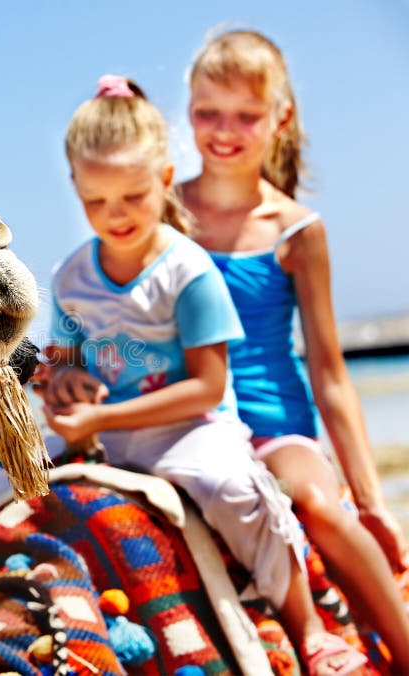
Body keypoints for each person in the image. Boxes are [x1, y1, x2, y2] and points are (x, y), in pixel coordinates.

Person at [40, 74, 367, 675]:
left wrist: (101, 414)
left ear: (165, 181)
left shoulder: (187, 270)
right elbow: (64, 361)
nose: (116, 216)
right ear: (76, 188)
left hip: (190, 426)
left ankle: (311, 627)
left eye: (134, 198)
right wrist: (63, 384)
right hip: (103, 430)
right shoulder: (69, 277)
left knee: (232, 490)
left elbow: (209, 387)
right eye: (97, 202)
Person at [177, 29, 409, 671]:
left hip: (275, 426)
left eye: (245, 115)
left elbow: (331, 377)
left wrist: (371, 500)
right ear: (187, 111)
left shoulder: (297, 232)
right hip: (184, 418)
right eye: (207, 112)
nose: (224, 130)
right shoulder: (160, 212)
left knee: (309, 499)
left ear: (279, 118)